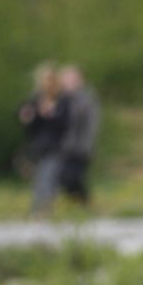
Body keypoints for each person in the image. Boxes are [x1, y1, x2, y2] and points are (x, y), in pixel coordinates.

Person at [18, 63, 68, 219]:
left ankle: (44, 209)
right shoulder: (35, 100)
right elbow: (25, 118)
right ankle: (37, 208)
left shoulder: (63, 101)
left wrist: (51, 114)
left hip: (56, 145)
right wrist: (30, 116)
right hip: (38, 146)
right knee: (38, 178)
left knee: (48, 176)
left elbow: (67, 122)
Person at [56, 65, 100, 207]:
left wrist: (87, 146)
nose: (68, 83)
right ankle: (79, 204)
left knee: (73, 177)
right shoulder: (58, 98)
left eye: (72, 79)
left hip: (80, 147)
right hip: (61, 146)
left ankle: (84, 203)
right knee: (62, 178)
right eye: (66, 79)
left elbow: (92, 124)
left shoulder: (87, 99)